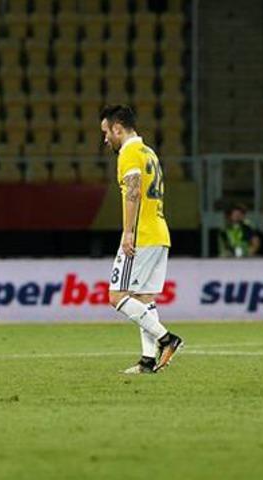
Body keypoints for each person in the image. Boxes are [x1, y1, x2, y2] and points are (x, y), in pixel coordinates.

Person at [100, 105, 184, 374]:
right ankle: (148, 361)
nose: (105, 139)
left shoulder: (129, 152)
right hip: (159, 232)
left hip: (142, 235)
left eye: (106, 132)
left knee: (116, 296)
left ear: (117, 128)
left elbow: (133, 191)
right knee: (143, 297)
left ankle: (167, 339)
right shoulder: (149, 152)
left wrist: (128, 231)